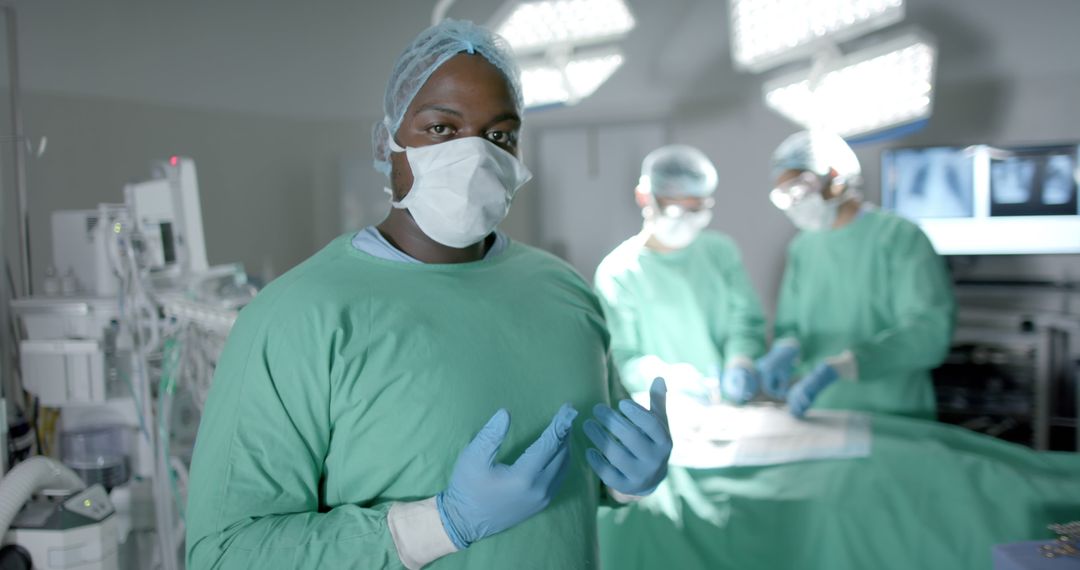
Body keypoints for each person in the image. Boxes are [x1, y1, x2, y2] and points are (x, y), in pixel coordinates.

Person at [185, 19, 671, 569]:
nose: (475, 157)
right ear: (387, 144)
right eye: (441, 129)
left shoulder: (564, 292)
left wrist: (627, 480)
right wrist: (440, 525)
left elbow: (581, 477)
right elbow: (223, 554)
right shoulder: (295, 318)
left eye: (499, 136)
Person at [758, 130, 955, 419]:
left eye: (799, 190)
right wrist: (787, 348)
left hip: (895, 413)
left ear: (835, 180)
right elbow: (791, 326)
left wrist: (848, 365)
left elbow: (929, 333)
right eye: (785, 196)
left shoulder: (900, 238)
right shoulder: (803, 247)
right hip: (822, 410)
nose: (794, 203)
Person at [593, 144, 766, 406]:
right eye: (673, 207)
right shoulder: (618, 272)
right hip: (662, 412)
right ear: (644, 198)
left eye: (695, 208)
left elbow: (746, 322)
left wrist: (740, 361)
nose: (684, 217)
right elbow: (620, 358)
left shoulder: (720, 252)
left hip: (726, 406)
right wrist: (667, 378)